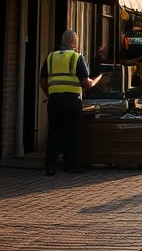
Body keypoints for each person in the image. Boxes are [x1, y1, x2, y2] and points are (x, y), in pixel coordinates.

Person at [39, 29, 98, 175]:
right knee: (72, 132)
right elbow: (86, 83)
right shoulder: (76, 58)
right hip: (72, 100)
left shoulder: (51, 57)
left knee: (54, 132)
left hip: (54, 100)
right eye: (76, 42)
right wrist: (96, 81)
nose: (77, 45)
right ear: (72, 42)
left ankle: (50, 165)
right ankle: (71, 165)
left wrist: (49, 93)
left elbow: (43, 80)